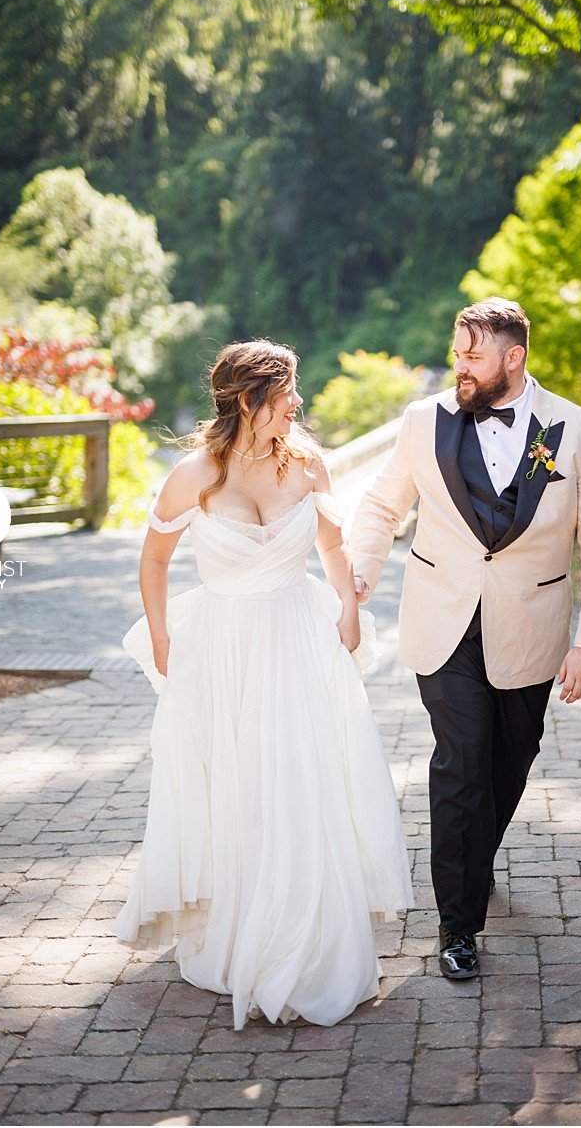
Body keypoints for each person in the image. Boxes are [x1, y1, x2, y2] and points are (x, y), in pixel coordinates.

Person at [115, 339, 413, 1028]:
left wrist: (348, 607)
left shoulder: (308, 461)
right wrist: (161, 633)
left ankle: (308, 935)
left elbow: (334, 543)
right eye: (286, 392)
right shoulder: (195, 474)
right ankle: (235, 924)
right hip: (222, 648)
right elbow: (154, 559)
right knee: (236, 785)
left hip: (298, 640)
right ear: (249, 399)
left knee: (302, 782)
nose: (297, 404)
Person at [348, 298, 581, 980]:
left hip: (529, 631)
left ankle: (477, 860)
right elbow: (382, 505)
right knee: (462, 761)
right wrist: (358, 573)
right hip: (442, 623)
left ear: (514, 357)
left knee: (511, 756)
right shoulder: (424, 421)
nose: (459, 367)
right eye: (455, 353)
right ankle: (458, 923)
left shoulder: (577, 431)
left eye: (472, 355)